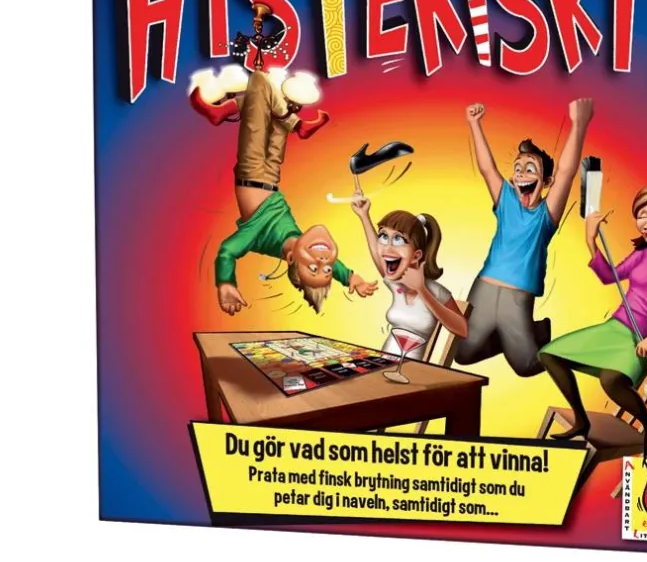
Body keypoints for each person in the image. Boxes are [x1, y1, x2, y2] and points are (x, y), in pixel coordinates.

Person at [189, 67, 378, 314]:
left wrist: (226, 283)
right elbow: (334, 265)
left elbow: (227, 251)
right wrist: (352, 278)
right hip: (271, 175)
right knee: (277, 117)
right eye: (326, 269)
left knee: (259, 82)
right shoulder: (299, 241)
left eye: (313, 268)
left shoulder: (257, 238)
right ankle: (295, 124)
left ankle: (232, 113)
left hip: (251, 170)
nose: (323, 261)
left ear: (290, 259)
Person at [539, 186, 647, 457]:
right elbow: (609, 276)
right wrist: (591, 241)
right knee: (549, 355)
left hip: (642, 339)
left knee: (611, 380)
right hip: (614, 328)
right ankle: (581, 420)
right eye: (642, 215)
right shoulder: (645, 253)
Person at [454, 98, 594, 377]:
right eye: (518, 169)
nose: (521, 174)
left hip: (518, 297)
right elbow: (487, 168)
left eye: (530, 169)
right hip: (483, 288)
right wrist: (474, 124)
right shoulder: (505, 200)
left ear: (546, 182)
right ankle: (511, 337)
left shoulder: (545, 216)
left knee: (526, 366)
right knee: (462, 354)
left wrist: (578, 124)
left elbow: (566, 173)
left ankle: (538, 332)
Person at [350, 196, 468, 358]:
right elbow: (378, 254)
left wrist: (422, 290)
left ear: (416, 255)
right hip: (383, 363)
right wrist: (364, 215)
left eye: (398, 239)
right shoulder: (397, 283)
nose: (387, 247)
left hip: (412, 369)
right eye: (383, 236)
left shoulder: (436, 291)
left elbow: (463, 330)